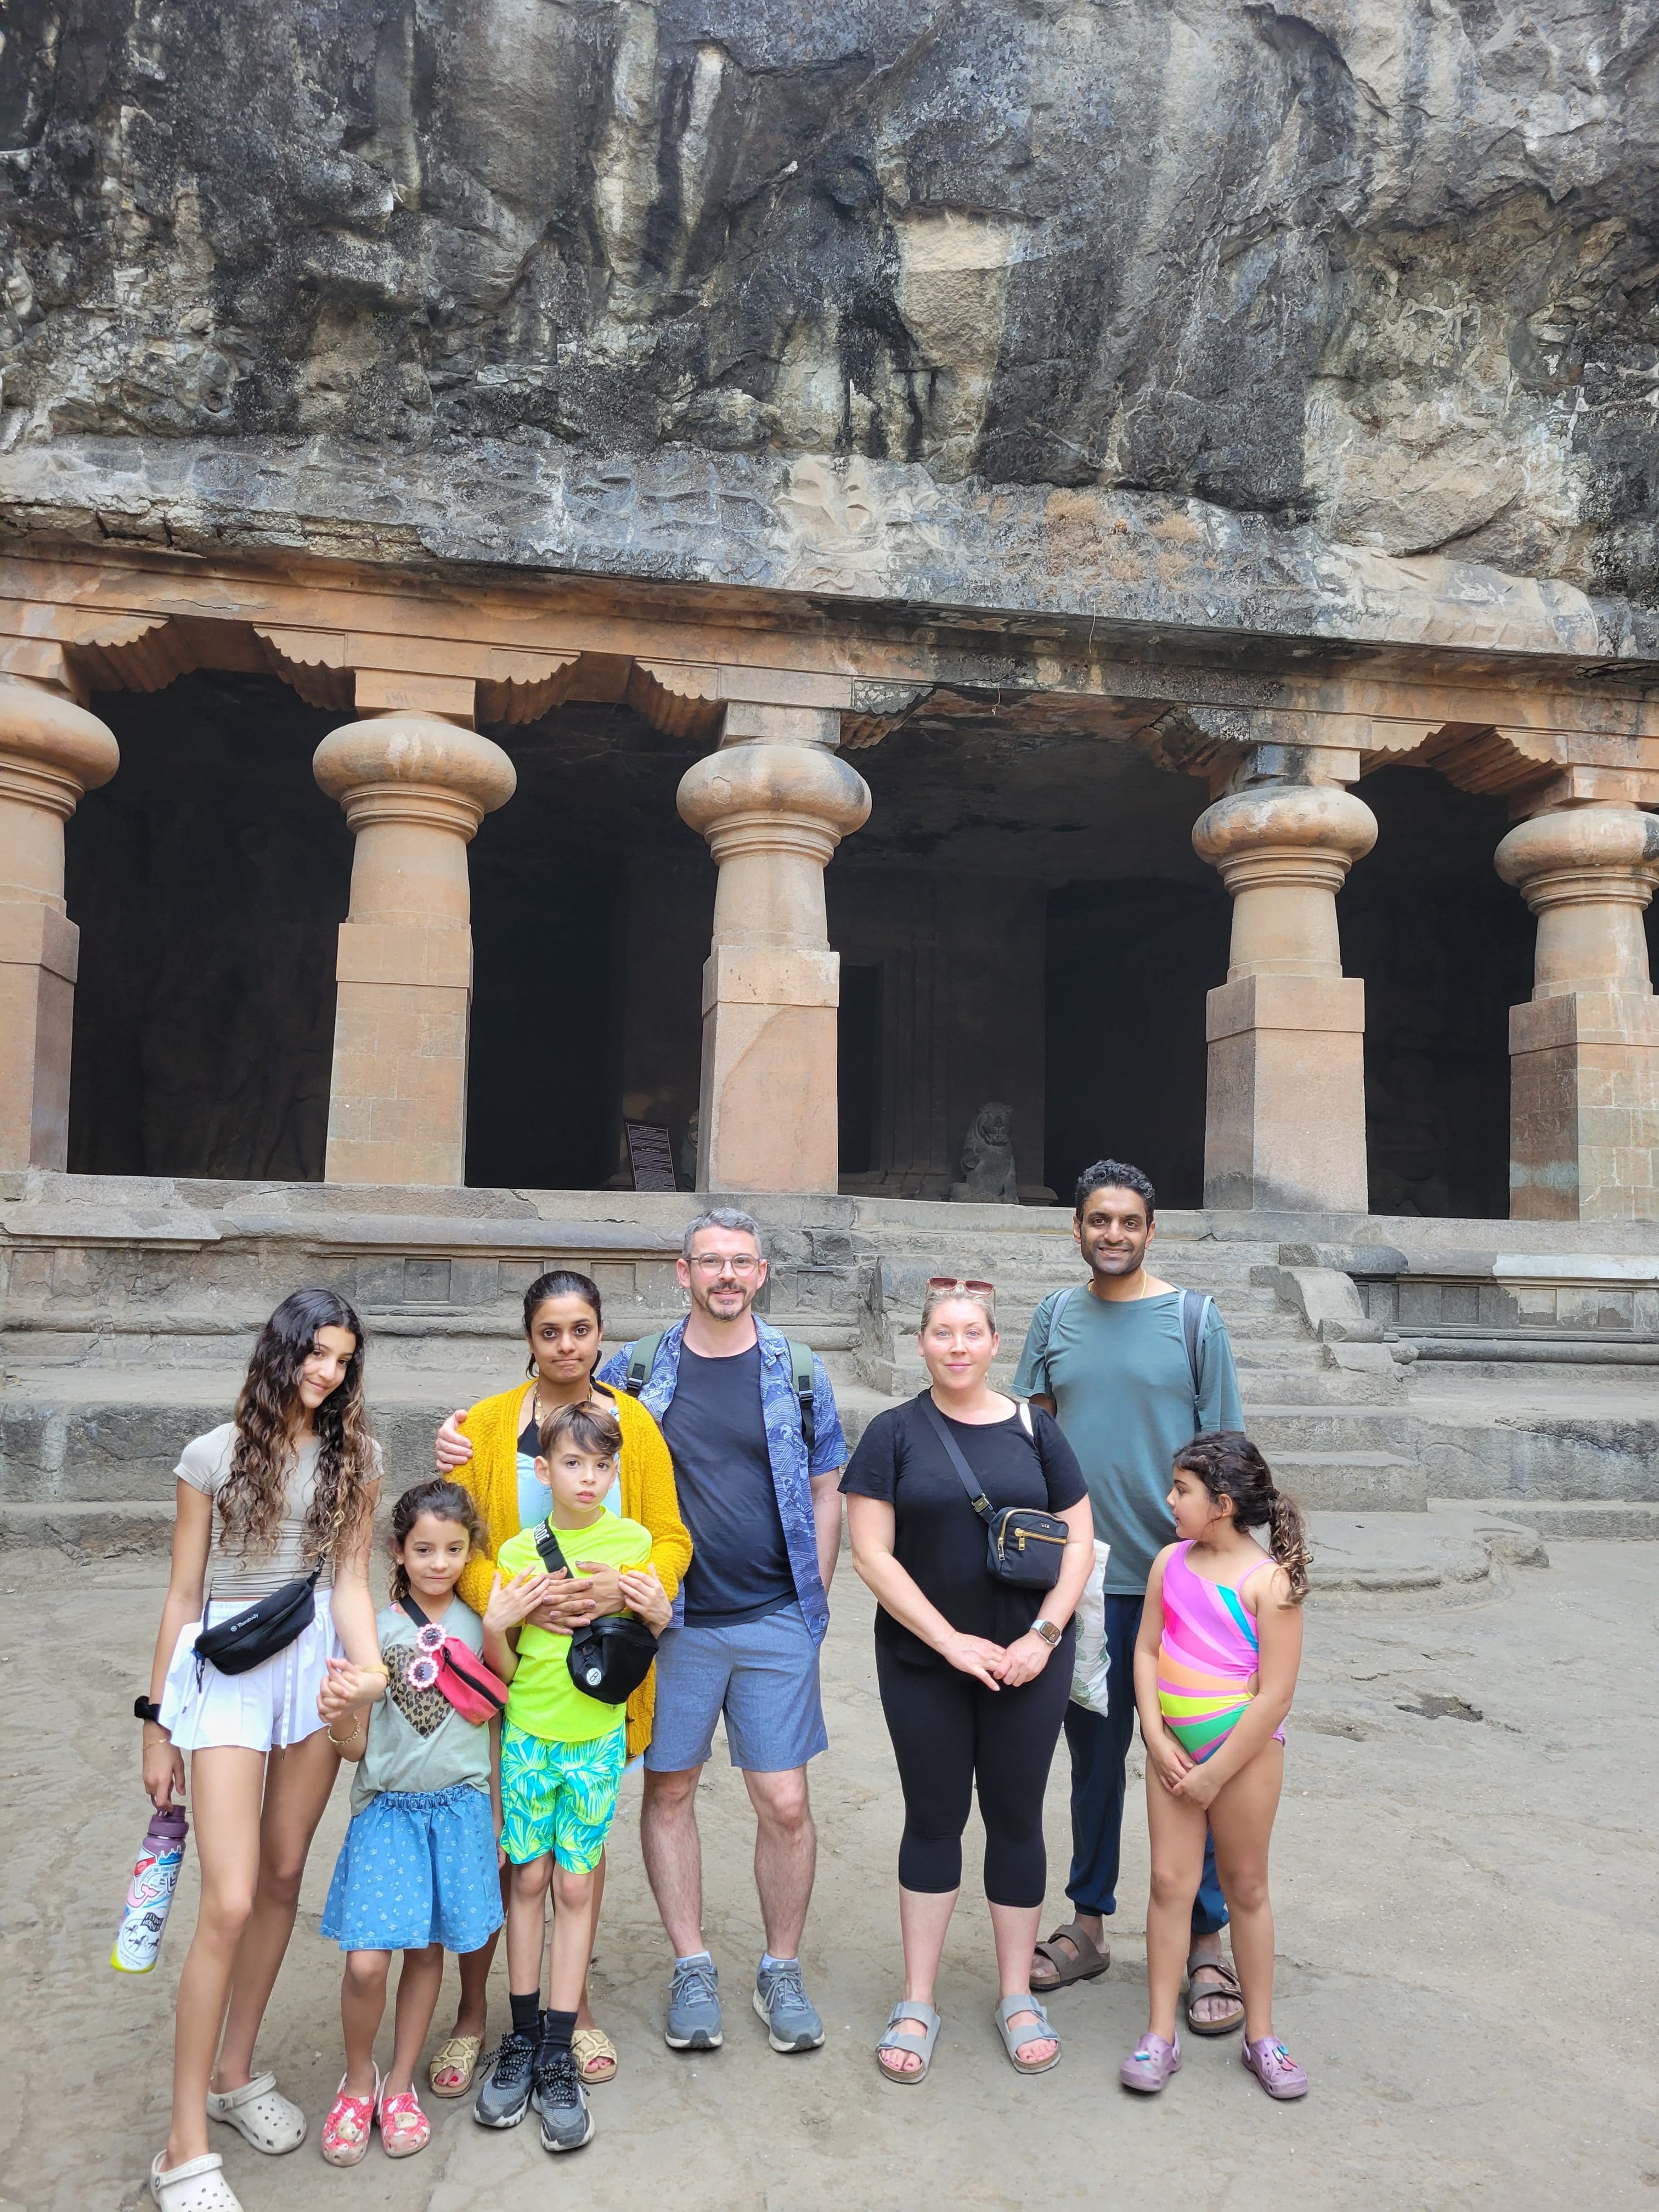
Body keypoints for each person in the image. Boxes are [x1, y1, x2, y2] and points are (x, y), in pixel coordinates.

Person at [139, 1289, 385, 2212]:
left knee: (284, 1875)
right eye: (315, 1353)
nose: (326, 1373)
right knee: (230, 1898)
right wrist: (159, 1722)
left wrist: (367, 1673)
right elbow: (183, 1595)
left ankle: (235, 2075)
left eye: (342, 1360)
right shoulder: (210, 1455)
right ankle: (182, 2144)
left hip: (314, 1666)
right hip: (231, 1670)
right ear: (280, 1351)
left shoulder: (354, 1454)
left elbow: (353, 1581)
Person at [595, 1207, 848, 2058]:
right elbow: (556, 1446)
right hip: (671, 1624)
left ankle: (781, 1966)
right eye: (711, 1263)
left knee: (784, 1800)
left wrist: (814, 1597)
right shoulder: (631, 1372)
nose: (727, 1276)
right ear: (683, 1273)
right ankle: (691, 1961)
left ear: (763, 1272)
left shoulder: (799, 1369)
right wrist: (460, 1437)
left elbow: (825, 1484)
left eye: (741, 1262)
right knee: (669, 1790)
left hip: (775, 1615)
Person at [429, 1267, 689, 2092]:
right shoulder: (487, 1426)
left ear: (600, 1335)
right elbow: (457, 1542)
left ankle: (564, 2021)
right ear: (529, 1338)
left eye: (581, 1330)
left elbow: (672, 1537)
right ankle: (485, 2015)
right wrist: (511, 1604)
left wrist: (636, 1586)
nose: (566, 1346)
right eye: (551, 1331)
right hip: (508, 1669)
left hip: (596, 1682)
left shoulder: (631, 1426)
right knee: (510, 1851)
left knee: (577, 1852)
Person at [1013, 1158, 1249, 2035]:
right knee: (1094, 1763)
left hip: (1180, 1586)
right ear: (1077, 1228)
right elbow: (1028, 1437)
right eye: (1098, 1220)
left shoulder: (1194, 1323)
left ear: (1152, 1231)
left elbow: (1228, 1458)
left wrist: (1231, 1574)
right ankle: (1088, 1923)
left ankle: (1204, 1938)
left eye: (1128, 1222)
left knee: (1198, 1763)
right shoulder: (1054, 1318)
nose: (1112, 1233)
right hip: (1084, 1583)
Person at [843, 1280, 1096, 2083]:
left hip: (1030, 1661)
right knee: (934, 1818)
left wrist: (1042, 1636)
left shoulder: (1035, 1429)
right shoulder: (894, 1433)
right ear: (921, 1343)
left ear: (995, 1343)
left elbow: (1081, 1542)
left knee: (1018, 1818)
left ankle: (1018, 1993)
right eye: (942, 1333)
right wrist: (949, 1640)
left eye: (972, 1333)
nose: (957, 1346)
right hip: (925, 1661)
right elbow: (871, 1555)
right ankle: (918, 1998)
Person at [476, 1400, 663, 2154]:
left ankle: (558, 2050)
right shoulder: (519, 1552)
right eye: (573, 1464)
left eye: (601, 1465)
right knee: (526, 1879)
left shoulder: (634, 1543)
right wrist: (497, 1623)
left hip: (595, 1741)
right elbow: (510, 1669)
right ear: (542, 1470)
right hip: (528, 1739)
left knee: (576, 1885)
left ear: (615, 1470)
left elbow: (640, 1645)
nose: (589, 1479)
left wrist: (656, 1609)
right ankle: (520, 2038)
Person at [313, 1480, 505, 2165]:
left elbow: (495, 1717)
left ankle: (399, 2086)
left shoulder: (480, 1626)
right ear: (399, 1550)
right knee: (367, 1962)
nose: (439, 1562)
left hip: (458, 1812)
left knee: (428, 1951)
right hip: (388, 1812)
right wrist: (339, 1713)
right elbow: (360, 1744)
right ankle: (357, 2077)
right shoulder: (378, 1631)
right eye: (424, 1548)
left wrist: (497, 1812)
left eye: (454, 1549)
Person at [1122, 1432, 1310, 2098]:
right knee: (1169, 1884)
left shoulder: (1270, 1583)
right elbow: (1147, 1651)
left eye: (1182, 1490)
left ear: (1223, 1504)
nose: (1170, 1500)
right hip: (1172, 1752)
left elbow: (1276, 1695)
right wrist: (1154, 1731)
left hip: (1245, 1759)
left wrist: (1214, 1772)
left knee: (1246, 1887)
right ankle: (1157, 2036)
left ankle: (1262, 2036)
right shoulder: (1169, 1563)